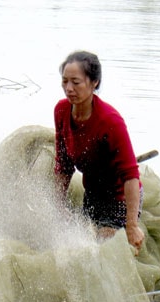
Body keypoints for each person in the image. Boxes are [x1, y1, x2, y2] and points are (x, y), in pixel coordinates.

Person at [53, 50, 145, 256]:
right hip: (93, 195)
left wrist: (131, 226)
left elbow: (131, 176)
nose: (69, 88)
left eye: (76, 82)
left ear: (94, 82)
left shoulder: (110, 122)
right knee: (78, 243)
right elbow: (63, 165)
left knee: (103, 249)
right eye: (65, 81)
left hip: (119, 199)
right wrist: (58, 207)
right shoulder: (61, 111)